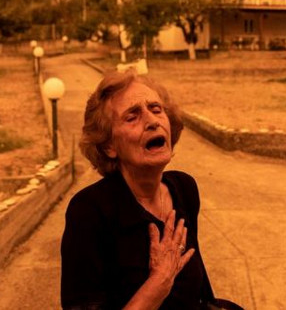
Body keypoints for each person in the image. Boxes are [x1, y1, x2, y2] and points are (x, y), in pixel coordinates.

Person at [61, 70, 236, 310]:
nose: (153, 121)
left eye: (156, 109)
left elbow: (198, 290)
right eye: (132, 117)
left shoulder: (183, 189)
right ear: (109, 145)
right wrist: (159, 282)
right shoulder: (90, 211)